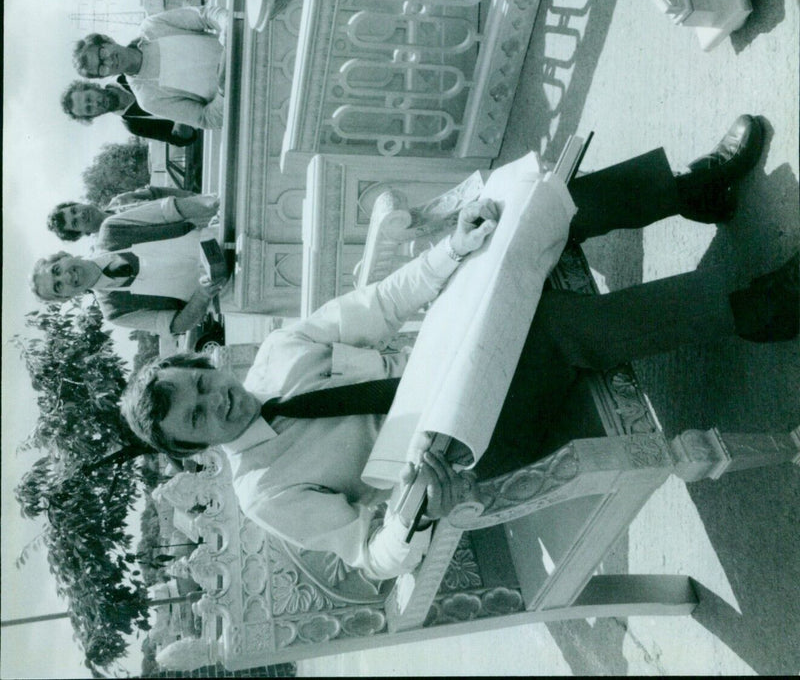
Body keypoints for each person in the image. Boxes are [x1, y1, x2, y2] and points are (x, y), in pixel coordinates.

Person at [121, 116, 799, 581]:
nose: (219, 399)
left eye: (202, 385)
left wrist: (456, 245)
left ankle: (693, 186)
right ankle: (756, 309)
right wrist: (421, 512)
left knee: (525, 218)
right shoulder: (266, 493)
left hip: (449, 347)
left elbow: (383, 303)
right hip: (468, 440)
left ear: (200, 364)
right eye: (201, 417)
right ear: (194, 448)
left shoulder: (276, 356)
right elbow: (370, 551)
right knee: (556, 330)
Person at [30, 223, 231, 338]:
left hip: (224, 236)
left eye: (57, 270)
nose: (66, 277)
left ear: (64, 256)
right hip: (230, 291)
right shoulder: (115, 313)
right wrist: (203, 296)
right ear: (67, 297)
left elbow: (176, 208)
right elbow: (177, 325)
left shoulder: (111, 230)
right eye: (58, 286)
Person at [72, 4, 228, 130]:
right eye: (101, 68)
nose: (109, 62)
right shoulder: (148, 99)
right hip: (237, 93)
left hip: (244, 44)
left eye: (102, 53)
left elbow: (206, 16)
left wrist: (227, 24)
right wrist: (223, 90)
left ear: (107, 40)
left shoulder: (152, 26)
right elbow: (205, 118)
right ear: (104, 77)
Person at [47, 191, 219, 247]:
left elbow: (165, 194)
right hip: (200, 238)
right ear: (80, 233)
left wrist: (202, 199)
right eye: (75, 222)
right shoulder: (110, 244)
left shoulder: (122, 201)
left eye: (74, 210)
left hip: (208, 209)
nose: (81, 214)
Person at [60, 77, 199, 146]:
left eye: (89, 98)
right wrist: (181, 126)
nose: (95, 103)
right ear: (93, 116)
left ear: (91, 86)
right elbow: (186, 138)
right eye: (89, 109)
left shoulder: (126, 75)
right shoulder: (134, 125)